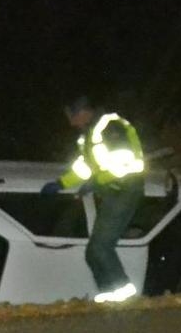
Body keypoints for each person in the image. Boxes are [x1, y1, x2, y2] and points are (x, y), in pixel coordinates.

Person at [41, 97, 146, 303]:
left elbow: (126, 163)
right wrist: (61, 183)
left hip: (125, 190)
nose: (71, 123)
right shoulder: (89, 136)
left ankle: (125, 296)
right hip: (112, 192)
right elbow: (84, 168)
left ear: (82, 112)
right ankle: (109, 295)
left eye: (72, 117)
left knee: (100, 248)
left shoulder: (109, 127)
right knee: (92, 252)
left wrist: (96, 182)